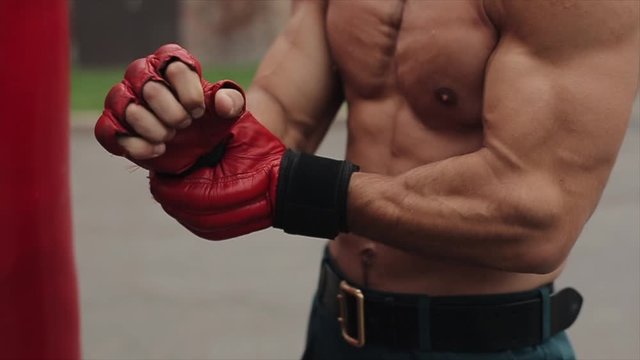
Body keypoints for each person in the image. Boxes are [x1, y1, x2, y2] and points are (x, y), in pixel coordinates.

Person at [95, 0, 639, 359]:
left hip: (482, 341)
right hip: (334, 329)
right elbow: (285, 108)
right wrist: (204, 132)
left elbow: (535, 214)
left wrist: (300, 191)